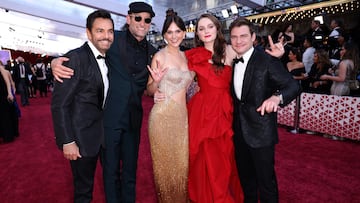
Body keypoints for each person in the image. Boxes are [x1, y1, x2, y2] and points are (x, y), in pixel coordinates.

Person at [51, 2, 157, 202]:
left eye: (147, 20)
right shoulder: (111, 39)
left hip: (133, 123)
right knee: (110, 174)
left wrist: (156, 89)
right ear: (128, 18)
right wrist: (54, 62)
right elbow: (83, 53)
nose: (142, 23)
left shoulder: (152, 51)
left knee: (130, 174)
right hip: (108, 122)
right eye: (138, 18)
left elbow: (149, 87)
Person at [229, 17, 301, 202]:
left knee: (266, 184)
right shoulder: (231, 61)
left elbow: (292, 86)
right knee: (247, 183)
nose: (238, 41)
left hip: (261, 133)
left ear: (253, 37)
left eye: (243, 36)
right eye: (234, 37)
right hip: (238, 133)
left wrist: (277, 97)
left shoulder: (266, 60)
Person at [51, 9, 113, 203]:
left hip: (104, 135)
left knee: (110, 181)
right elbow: (59, 105)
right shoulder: (75, 58)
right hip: (80, 138)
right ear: (89, 33)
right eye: (100, 31)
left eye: (110, 31)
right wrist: (67, 141)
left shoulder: (110, 56)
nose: (106, 36)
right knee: (84, 190)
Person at [147, 13, 193, 202]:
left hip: (182, 118)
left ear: (184, 33)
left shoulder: (187, 56)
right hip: (162, 117)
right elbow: (149, 90)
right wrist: (156, 84)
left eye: (178, 31)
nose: (174, 36)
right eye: (169, 32)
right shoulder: (159, 56)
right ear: (164, 35)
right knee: (165, 169)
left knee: (182, 166)